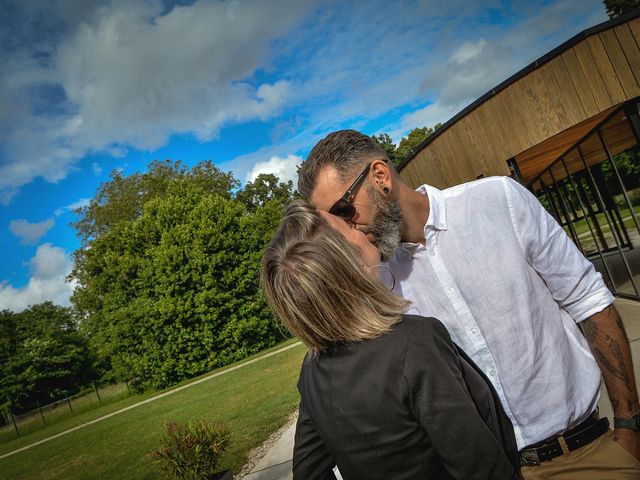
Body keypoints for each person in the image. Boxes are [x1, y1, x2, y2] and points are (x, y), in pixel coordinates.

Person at [297, 129, 640, 479]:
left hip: (588, 454)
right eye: (334, 224)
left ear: (380, 177)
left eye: (344, 210)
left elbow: (587, 298)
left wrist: (630, 426)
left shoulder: (497, 199)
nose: (347, 230)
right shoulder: (377, 283)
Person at [261, 200, 522, 480]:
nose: (362, 229)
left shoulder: (313, 371)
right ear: (348, 262)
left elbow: (308, 472)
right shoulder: (415, 343)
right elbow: (483, 468)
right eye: (347, 226)